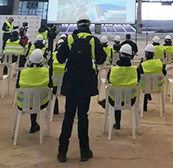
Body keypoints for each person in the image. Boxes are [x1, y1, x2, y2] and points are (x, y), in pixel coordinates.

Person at [57, 14, 106, 163]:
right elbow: (101, 59)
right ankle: (84, 151)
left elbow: (59, 58)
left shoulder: (70, 40)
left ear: (77, 26)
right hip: (86, 83)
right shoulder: (93, 41)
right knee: (83, 117)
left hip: (71, 83)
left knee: (68, 117)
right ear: (89, 26)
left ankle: (62, 152)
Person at [99, 43, 138, 130]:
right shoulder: (135, 70)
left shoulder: (112, 70)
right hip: (131, 100)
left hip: (114, 100)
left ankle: (117, 122)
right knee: (120, 94)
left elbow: (109, 81)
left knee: (117, 95)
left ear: (119, 56)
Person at [16, 48, 53, 134]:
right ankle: (34, 124)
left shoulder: (22, 73)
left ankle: (34, 123)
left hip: (23, 103)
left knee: (31, 97)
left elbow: (17, 86)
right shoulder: (46, 72)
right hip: (41, 103)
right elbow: (50, 86)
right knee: (36, 97)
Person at [138, 43, 166, 111]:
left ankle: (145, 103)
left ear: (145, 54)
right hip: (158, 86)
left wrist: (140, 63)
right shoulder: (159, 63)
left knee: (145, 83)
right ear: (153, 54)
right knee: (148, 83)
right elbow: (164, 73)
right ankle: (148, 96)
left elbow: (138, 74)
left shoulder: (143, 64)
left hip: (145, 87)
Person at [50, 36, 67, 115]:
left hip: (55, 86)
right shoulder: (69, 56)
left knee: (52, 93)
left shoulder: (53, 55)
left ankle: (55, 110)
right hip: (66, 85)